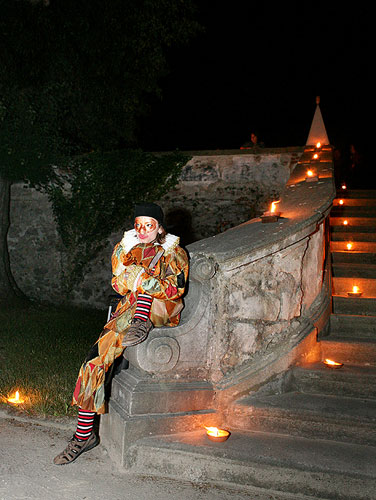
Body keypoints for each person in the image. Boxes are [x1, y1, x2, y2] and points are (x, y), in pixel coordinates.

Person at [53, 202, 189, 465]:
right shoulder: (127, 248)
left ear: (159, 227)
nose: (142, 230)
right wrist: (129, 278)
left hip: (160, 309)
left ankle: (141, 322)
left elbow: (175, 290)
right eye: (138, 224)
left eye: (148, 225)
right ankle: (84, 437)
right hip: (126, 312)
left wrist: (142, 280)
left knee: (145, 283)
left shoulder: (174, 252)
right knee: (92, 362)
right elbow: (116, 283)